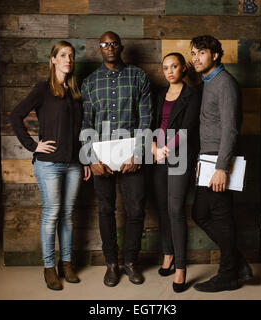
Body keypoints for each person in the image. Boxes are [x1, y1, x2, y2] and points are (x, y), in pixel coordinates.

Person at [10, 41, 91, 291]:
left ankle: (66, 263)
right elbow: (15, 116)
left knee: (67, 215)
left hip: (74, 164)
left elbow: (80, 131)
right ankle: (49, 268)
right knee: (52, 214)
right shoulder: (43, 89)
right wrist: (33, 145)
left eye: (71, 56)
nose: (68, 59)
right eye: (63, 55)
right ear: (53, 60)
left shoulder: (75, 92)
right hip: (49, 165)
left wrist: (85, 158)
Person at [80, 31, 152, 287]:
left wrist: (139, 154)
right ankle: (111, 263)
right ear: (100, 49)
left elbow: (145, 120)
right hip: (101, 160)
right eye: (104, 44)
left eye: (113, 43)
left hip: (132, 158)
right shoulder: (89, 83)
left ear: (120, 47)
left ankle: (131, 262)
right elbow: (86, 123)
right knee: (105, 209)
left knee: (135, 210)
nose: (109, 47)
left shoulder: (138, 77)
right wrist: (90, 158)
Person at [190, 35, 253, 292]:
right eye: (193, 53)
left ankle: (228, 275)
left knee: (221, 216)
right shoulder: (209, 82)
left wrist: (221, 168)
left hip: (218, 160)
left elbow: (230, 130)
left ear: (215, 55)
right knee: (200, 214)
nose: (195, 58)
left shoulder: (224, 83)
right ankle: (237, 263)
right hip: (207, 159)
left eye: (201, 53)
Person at [151, 52, 201, 293]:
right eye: (165, 67)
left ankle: (181, 267)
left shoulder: (192, 94)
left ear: (183, 68)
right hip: (158, 156)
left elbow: (188, 128)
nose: (169, 71)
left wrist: (165, 150)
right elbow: (152, 124)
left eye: (174, 66)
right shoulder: (160, 94)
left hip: (179, 156)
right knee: (162, 209)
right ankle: (168, 255)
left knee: (175, 211)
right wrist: (154, 148)